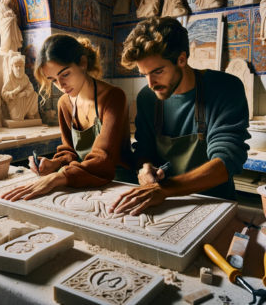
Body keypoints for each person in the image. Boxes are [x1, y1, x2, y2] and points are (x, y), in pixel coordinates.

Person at [107, 17, 250, 217]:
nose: (151, 83)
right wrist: (145, 167)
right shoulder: (147, 98)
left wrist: (166, 188)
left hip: (214, 205)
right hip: (165, 205)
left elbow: (227, 160)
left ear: (181, 59)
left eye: (158, 71)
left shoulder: (225, 88)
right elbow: (144, 149)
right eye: (144, 74)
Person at [1, 35, 136, 201]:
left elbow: (104, 158)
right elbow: (69, 151)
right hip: (78, 176)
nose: (61, 85)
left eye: (65, 74)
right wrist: (54, 164)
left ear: (83, 63)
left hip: (116, 179)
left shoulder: (114, 97)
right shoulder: (64, 103)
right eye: (53, 80)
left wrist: (60, 176)